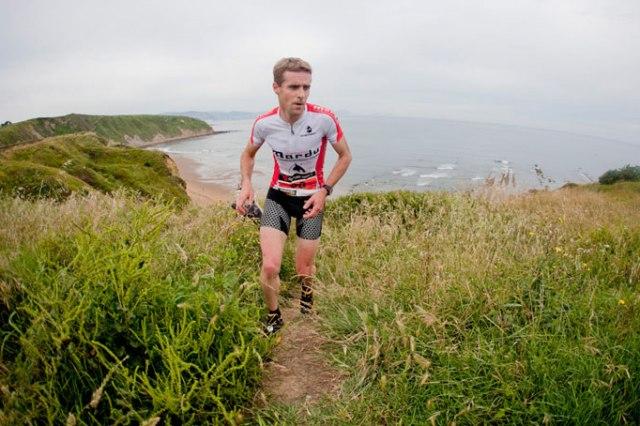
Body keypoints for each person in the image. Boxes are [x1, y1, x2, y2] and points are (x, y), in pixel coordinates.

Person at [235, 57, 352, 335]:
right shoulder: (264, 124)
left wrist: (325, 190)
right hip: (279, 196)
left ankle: (307, 300)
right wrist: (247, 184)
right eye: (294, 87)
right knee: (270, 264)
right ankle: (274, 316)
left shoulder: (323, 119)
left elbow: (345, 156)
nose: (301, 95)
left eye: (306, 87)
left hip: (312, 199)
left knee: (303, 268)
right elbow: (248, 154)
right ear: (276, 87)